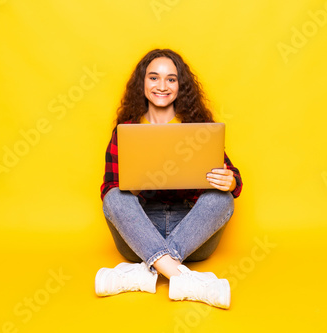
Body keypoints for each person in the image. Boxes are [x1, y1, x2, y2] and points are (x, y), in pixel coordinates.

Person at [95, 49, 243, 309]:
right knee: (113, 196)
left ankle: (146, 271)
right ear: (142, 83)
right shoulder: (126, 131)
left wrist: (230, 182)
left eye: (171, 79)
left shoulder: (199, 128)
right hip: (139, 232)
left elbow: (233, 179)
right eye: (154, 78)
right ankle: (182, 278)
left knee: (223, 199)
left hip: (191, 233)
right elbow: (109, 190)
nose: (162, 86)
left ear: (180, 86)